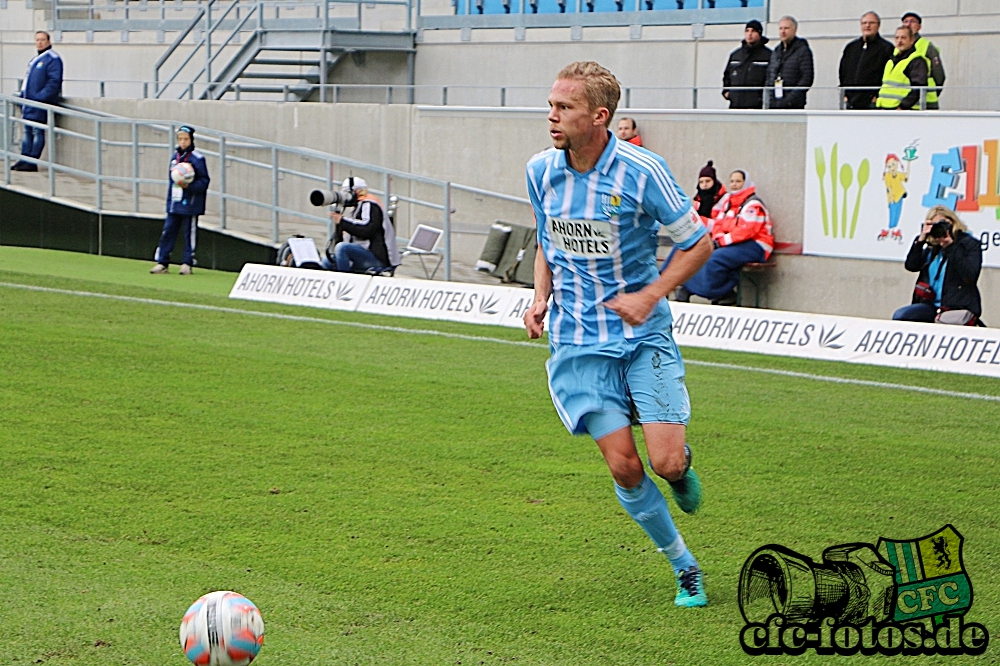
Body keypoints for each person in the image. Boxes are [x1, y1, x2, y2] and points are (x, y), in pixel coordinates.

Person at [524, 61, 713, 608]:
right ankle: (685, 567)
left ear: (599, 116)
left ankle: (680, 469)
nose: (552, 116)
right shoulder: (541, 171)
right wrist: (540, 298)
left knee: (665, 463)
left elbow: (698, 244)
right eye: (551, 106)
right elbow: (547, 240)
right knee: (623, 465)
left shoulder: (642, 171)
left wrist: (650, 296)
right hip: (579, 343)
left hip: (642, 337)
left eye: (565, 108)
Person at [673, 169, 773, 306]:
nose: (734, 184)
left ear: (746, 183)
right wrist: (719, 238)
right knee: (703, 254)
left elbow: (746, 231)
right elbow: (719, 224)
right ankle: (715, 293)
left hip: (756, 246)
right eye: (732, 181)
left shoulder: (753, 204)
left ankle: (717, 292)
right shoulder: (729, 203)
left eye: (738, 181)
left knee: (716, 258)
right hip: (735, 243)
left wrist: (721, 242)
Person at [893, 206, 982, 325]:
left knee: (942, 321)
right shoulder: (932, 248)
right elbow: (911, 266)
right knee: (901, 316)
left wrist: (950, 246)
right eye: (935, 225)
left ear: (953, 222)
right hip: (930, 305)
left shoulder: (968, 244)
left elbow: (970, 275)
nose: (941, 228)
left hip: (957, 306)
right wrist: (920, 240)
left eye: (943, 224)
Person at [150, 126, 210, 275]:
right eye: (180, 139)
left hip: (190, 204)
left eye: (186, 139)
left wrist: (189, 186)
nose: (183, 142)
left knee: (188, 234)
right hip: (174, 203)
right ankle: (162, 262)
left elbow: (204, 181)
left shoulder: (197, 158)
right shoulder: (174, 158)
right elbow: (172, 182)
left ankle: (187, 263)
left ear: (191, 140)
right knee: (168, 231)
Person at [325, 177, 400, 273]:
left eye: (346, 193)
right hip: (364, 254)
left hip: (377, 259)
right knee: (326, 262)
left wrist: (342, 221)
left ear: (355, 191)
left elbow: (367, 229)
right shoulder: (357, 208)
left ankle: (345, 281)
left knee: (342, 248)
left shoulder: (370, 205)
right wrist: (340, 224)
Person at [12, 31, 63, 172]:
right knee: (27, 132)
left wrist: (40, 97)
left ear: (48, 41)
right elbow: (28, 82)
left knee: (37, 132)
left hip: (40, 105)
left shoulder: (53, 58)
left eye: (42, 40)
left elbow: (54, 82)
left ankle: (32, 161)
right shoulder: (35, 59)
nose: (39, 42)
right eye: (37, 40)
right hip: (28, 104)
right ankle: (24, 159)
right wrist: (22, 97)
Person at [838, 12, 894, 110]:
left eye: (871, 23)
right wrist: (845, 92)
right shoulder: (851, 47)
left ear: (878, 25)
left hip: (872, 101)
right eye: (864, 23)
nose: (867, 26)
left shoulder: (886, 48)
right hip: (851, 100)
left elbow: (889, 74)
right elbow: (843, 71)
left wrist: (877, 95)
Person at [764, 16, 814, 110]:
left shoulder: (803, 51)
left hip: (793, 106)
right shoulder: (776, 51)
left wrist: (789, 100)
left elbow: (807, 78)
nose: (783, 31)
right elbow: (769, 76)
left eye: (786, 28)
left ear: (795, 30)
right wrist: (769, 98)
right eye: (780, 28)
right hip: (774, 105)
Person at [722, 19, 772, 110]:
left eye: (753, 31)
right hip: (735, 105)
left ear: (759, 34)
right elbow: (727, 75)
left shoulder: (768, 55)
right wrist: (726, 91)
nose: (749, 34)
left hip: (757, 107)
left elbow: (771, 78)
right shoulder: (735, 55)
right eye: (747, 31)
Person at [876, 25, 928, 111]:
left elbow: (918, 88)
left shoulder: (916, 61)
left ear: (912, 40)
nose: (899, 41)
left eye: (903, 38)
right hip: (885, 109)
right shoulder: (891, 60)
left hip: (903, 111)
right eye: (897, 38)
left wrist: (903, 107)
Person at [902, 12, 945, 109]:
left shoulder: (927, 47)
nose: (908, 24)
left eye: (912, 21)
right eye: (905, 22)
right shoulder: (897, 48)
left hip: (925, 103)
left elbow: (939, 76)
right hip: (903, 102)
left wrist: (932, 92)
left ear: (919, 27)